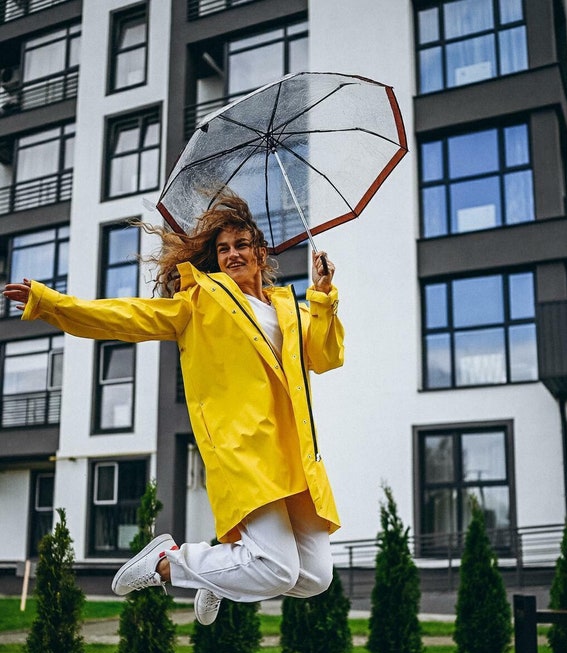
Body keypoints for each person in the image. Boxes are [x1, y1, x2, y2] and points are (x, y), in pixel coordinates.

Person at [3, 193, 344, 625]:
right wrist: (52, 304)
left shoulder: (291, 309)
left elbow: (327, 356)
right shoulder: (199, 303)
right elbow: (126, 317)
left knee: (315, 577)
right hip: (247, 451)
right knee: (276, 567)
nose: (233, 253)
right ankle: (170, 561)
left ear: (261, 253)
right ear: (216, 260)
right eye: (223, 249)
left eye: (241, 244)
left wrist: (323, 297)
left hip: (296, 456)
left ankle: (212, 575)